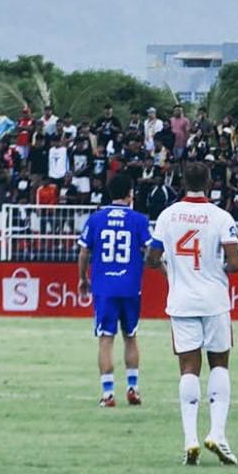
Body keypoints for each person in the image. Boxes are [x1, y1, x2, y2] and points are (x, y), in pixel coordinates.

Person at [146, 162, 238, 466]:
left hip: (182, 300)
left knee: (188, 367)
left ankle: (190, 439)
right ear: (211, 181)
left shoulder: (168, 215)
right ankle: (217, 433)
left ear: (180, 182)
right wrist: (217, 270)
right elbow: (236, 262)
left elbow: (151, 258)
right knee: (220, 364)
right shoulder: (220, 216)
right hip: (214, 300)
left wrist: (171, 273)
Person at [77, 174, 152, 407]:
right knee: (130, 336)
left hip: (104, 287)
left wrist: (82, 278)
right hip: (130, 286)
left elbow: (84, 252)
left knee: (106, 339)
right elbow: (150, 251)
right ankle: (133, 388)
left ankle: (108, 394)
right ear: (130, 193)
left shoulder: (96, 218)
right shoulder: (139, 220)